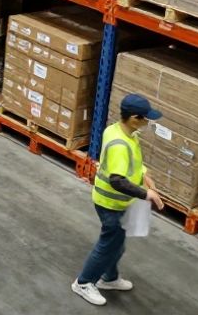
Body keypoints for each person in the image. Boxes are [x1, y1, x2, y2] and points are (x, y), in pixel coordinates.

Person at [72, 93, 166, 306]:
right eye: (145, 118)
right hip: (110, 202)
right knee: (109, 244)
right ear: (134, 118)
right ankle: (84, 282)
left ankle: (110, 278)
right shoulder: (119, 144)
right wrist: (146, 194)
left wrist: (144, 175)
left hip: (119, 201)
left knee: (116, 243)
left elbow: (131, 164)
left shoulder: (122, 132)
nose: (147, 122)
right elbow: (117, 180)